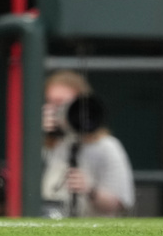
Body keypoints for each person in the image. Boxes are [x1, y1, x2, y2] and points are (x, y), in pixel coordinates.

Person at [42, 70, 135, 218]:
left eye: (60, 103)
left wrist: (91, 190)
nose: (54, 110)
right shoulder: (43, 144)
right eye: (50, 103)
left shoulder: (107, 147)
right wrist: (36, 133)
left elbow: (120, 203)